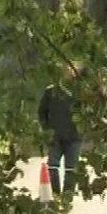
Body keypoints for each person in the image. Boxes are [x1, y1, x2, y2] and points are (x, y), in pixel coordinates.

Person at [38, 63, 82, 194]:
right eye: (67, 70)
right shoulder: (50, 91)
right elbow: (41, 112)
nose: (70, 73)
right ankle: (55, 194)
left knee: (71, 168)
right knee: (52, 165)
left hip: (74, 136)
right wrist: (46, 128)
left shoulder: (79, 92)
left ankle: (68, 195)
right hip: (55, 136)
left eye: (72, 71)